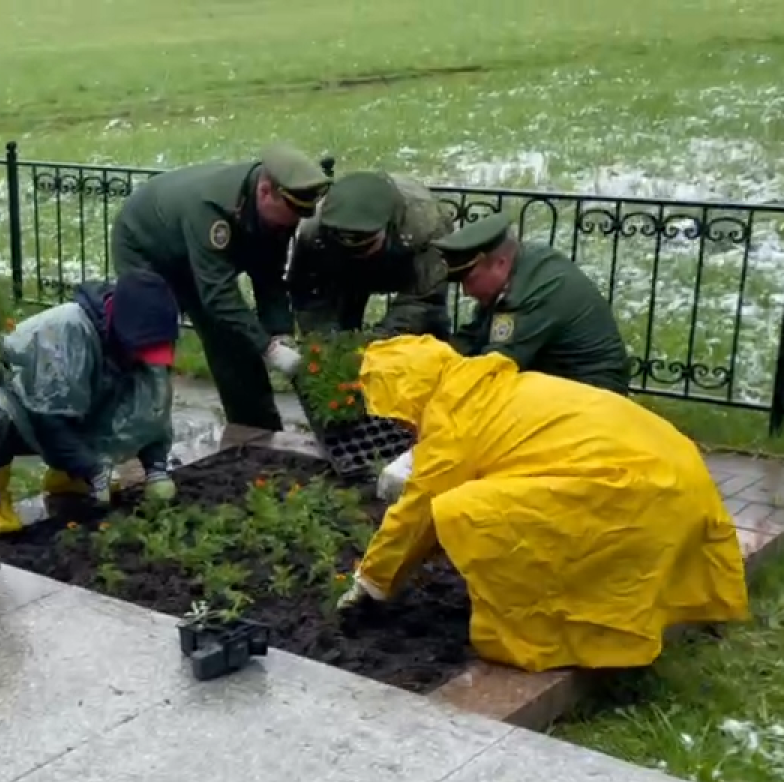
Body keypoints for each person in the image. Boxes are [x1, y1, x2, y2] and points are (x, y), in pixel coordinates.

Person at [337, 334, 749, 673]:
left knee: (464, 510)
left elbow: (417, 516)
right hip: (674, 475)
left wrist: (370, 582)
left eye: (397, 412)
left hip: (633, 491)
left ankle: (543, 629)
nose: (400, 424)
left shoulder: (455, 423)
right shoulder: (483, 388)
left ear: (412, 395)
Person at [110, 143, 333, 433]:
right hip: (147, 249)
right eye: (285, 219)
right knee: (153, 345)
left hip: (196, 255)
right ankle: (140, 442)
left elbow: (269, 276)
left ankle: (256, 432)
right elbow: (218, 295)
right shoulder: (212, 210)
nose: (287, 228)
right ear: (265, 192)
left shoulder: (278, 212)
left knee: (232, 338)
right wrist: (269, 349)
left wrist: (281, 333)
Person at [0, 269, 183, 534]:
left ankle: (66, 478)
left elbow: (152, 408)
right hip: (20, 400)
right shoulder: (67, 332)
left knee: (94, 407)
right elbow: (50, 419)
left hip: (71, 408)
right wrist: (93, 468)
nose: (146, 357)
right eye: (142, 349)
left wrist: (156, 468)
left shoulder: (141, 338)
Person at [433, 212, 632, 395]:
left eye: (471, 280)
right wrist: (430, 361)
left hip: (593, 395)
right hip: (560, 382)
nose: (466, 291)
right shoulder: (520, 270)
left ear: (500, 264)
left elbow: (494, 366)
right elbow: (472, 338)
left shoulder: (537, 292)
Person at [286, 169, 455, 340]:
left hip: (406, 261)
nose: (356, 254)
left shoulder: (426, 225)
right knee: (338, 328)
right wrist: (330, 343)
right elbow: (308, 295)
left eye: (363, 248)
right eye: (347, 249)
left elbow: (424, 299)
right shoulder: (315, 232)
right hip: (341, 273)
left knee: (427, 329)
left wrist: (379, 340)